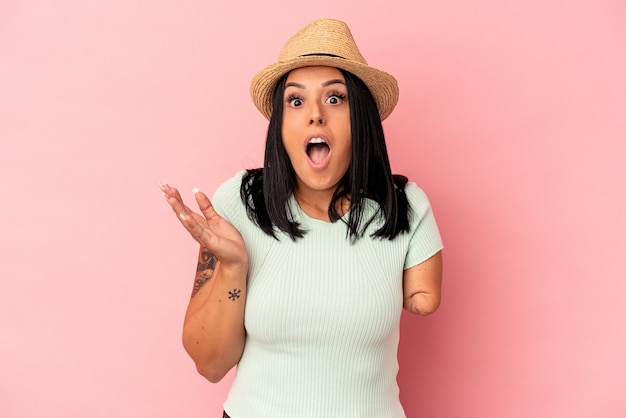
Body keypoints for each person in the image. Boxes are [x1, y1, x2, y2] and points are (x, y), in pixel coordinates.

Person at [161, 17, 443, 418]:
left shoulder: (404, 207)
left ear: (360, 118)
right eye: (296, 101)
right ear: (280, 125)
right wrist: (232, 266)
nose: (315, 115)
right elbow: (210, 365)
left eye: (335, 98)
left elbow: (424, 295)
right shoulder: (240, 203)